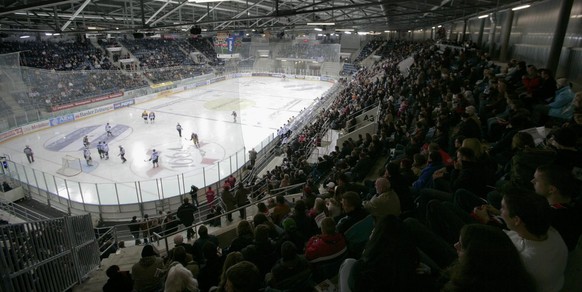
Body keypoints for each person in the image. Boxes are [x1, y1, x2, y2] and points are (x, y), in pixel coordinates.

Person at [500, 186, 568, 292]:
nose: (500, 211)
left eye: (502, 208)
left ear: (517, 220)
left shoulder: (522, 259)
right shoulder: (552, 232)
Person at [442, 224, 535, 292]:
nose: (455, 245)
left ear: (477, 259)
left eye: (461, 246)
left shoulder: (465, 286)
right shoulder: (516, 276)